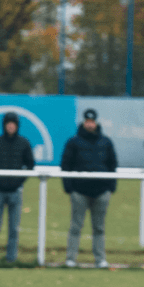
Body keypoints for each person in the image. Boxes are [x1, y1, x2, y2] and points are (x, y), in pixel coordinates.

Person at [61, 109, 118, 269]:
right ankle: (70, 259)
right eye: (88, 121)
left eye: (92, 122)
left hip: (101, 191)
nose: (90, 124)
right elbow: (65, 164)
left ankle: (100, 259)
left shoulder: (106, 142)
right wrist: (69, 188)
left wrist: (110, 187)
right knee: (76, 226)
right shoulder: (73, 142)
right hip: (79, 192)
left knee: (99, 228)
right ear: (84, 122)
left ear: (96, 122)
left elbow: (112, 165)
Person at [0, 111, 34, 262]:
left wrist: (19, 181)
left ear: (17, 126)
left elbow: (30, 164)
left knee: (13, 229)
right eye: (8, 124)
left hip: (15, 192)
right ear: (4, 125)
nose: (10, 126)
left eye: (13, 124)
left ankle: (11, 259)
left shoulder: (24, 143)